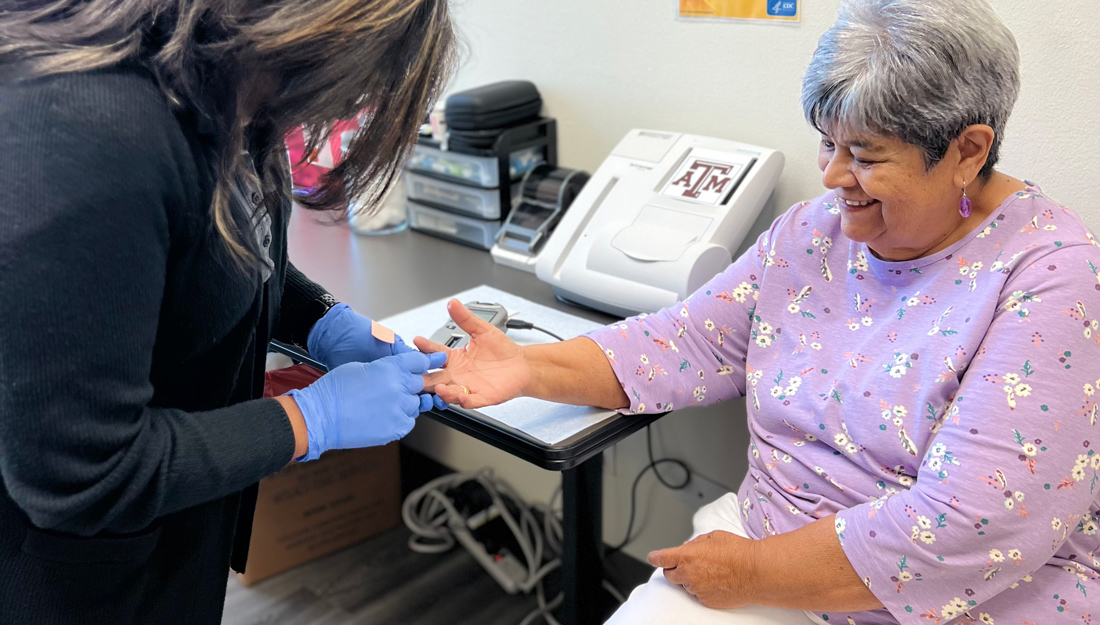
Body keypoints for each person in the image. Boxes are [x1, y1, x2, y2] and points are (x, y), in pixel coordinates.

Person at [419, 1, 1100, 623]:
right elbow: (686, 339)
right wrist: (528, 367)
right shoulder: (814, 233)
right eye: (827, 143)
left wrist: (752, 571)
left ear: (968, 150)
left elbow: (969, 524)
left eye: (864, 154)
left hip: (967, 603)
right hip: (768, 548)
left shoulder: (1050, 276)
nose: (832, 175)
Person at [0, 1, 455, 623]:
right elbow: (86, 477)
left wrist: (321, 319)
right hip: (65, 577)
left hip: (176, 528)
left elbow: (233, 248)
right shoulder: (86, 136)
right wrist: (309, 419)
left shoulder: (230, 91)